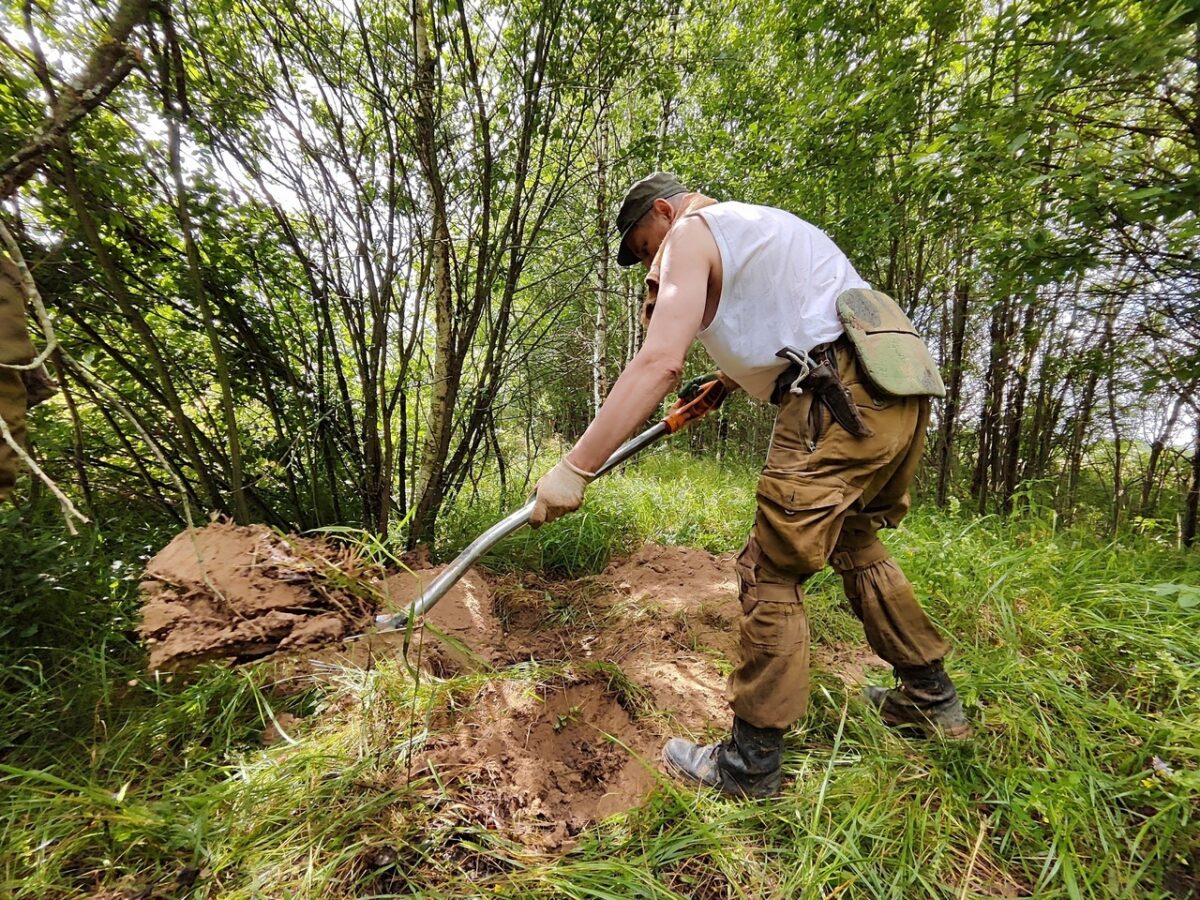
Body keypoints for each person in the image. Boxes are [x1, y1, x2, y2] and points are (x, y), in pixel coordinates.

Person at [531, 172, 969, 799]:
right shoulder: (763, 225)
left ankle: (750, 765)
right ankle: (931, 700)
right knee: (855, 542)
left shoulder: (690, 234)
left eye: (644, 246)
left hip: (835, 398)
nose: (649, 261)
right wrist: (728, 380)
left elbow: (658, 361)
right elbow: (803, 316)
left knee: (771, 570)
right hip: (893, 389)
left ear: (664, 211)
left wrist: (576, 467)